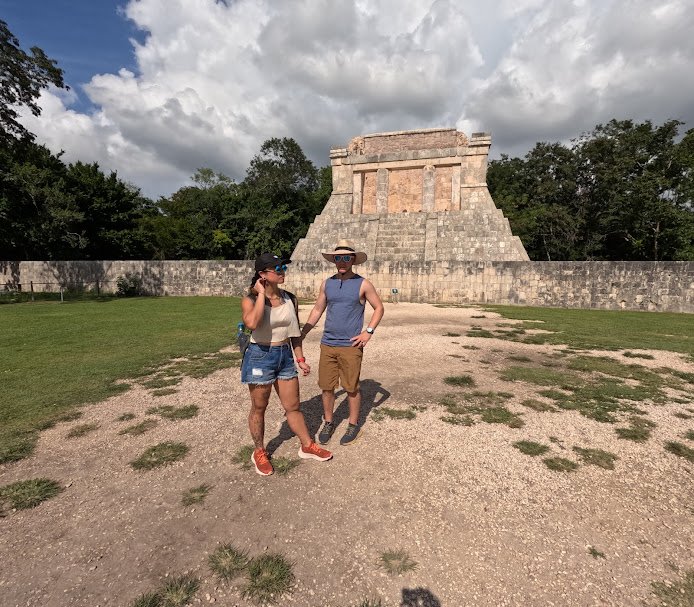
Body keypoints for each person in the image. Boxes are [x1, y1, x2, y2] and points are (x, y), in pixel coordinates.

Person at [240, 252, 333, 476]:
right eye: (278, 269)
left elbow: (294, 334)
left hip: (284, 355)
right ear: (263, 274)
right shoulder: (250, 300)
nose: (283, 272)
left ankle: (307, 445)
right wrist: (262, 295)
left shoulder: (290, 298)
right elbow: (252, 323)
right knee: (259, 407)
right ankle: (259, 451)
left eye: (283, 268)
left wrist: (300, 358)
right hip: (260, 355)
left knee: (293, 406)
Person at [301, 240, 384, 446]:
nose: (342, 262)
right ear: (334, 260)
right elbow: (318, 309)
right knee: (327, 387)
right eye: (338, 258)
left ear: (353, 259)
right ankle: (328, 421)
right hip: (328, 343)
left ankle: (353, 423)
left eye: (347, 257)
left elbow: (379, 308)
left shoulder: (363, 283)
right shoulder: (327, 283)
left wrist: (368, 332)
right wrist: (303, 331)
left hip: (351, 346)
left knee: (351, 388)